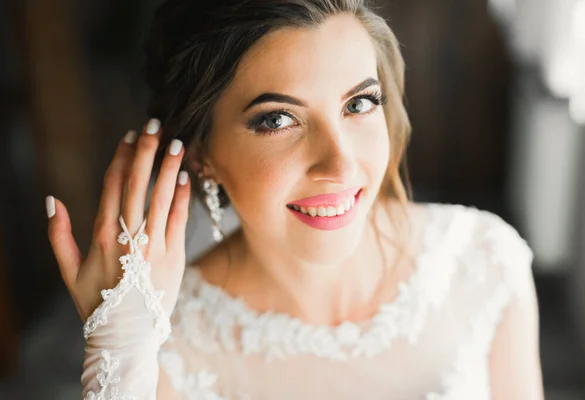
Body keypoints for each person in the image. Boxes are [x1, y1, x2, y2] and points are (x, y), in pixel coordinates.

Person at [45, 0, 544, 398]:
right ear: (202, 154)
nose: (341, 165)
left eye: (359, 103)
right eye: (277, 119)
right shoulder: (165, 343)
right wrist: (122, 357)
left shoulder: (483, 263)